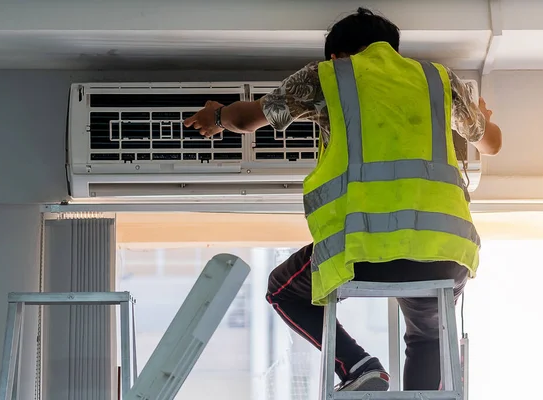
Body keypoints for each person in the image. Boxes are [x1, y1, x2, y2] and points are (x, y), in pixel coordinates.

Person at [184, 7, 502, 392]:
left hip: (362, 253)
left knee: (282, 290)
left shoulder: (329, 77)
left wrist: (216, 116)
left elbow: (247, 119)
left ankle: (358, 366)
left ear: (336, 56)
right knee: (427, 337)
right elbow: (493, 143)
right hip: (443, 258)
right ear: (393, 49)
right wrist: (481, 117)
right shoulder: (438, 79)